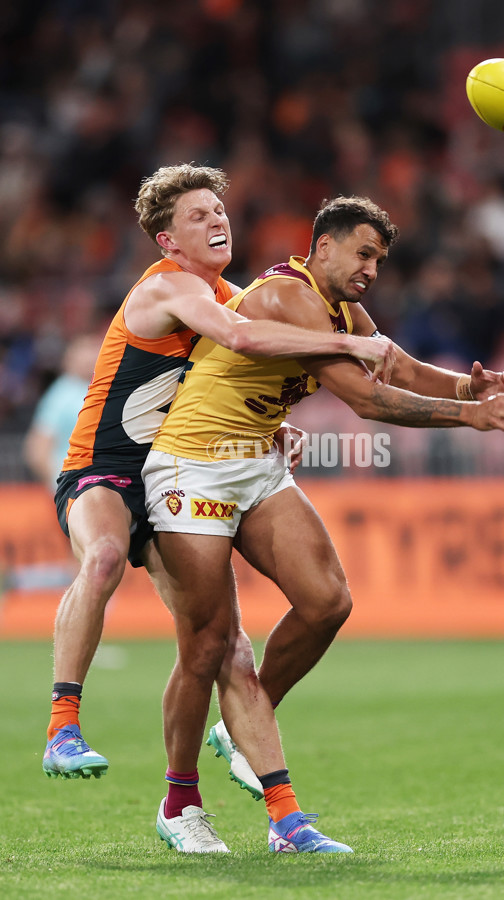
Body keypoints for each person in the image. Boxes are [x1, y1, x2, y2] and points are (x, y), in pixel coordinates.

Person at [142, 195, 504, 854]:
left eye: (379, 260)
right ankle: (180, 801)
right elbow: (365, 397)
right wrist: (462, 419)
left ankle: (243, 722)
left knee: (328, 601)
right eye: (363, 254)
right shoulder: (284, 296)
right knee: (210, 645)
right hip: (193, 465)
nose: (372, 270)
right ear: (321, 247)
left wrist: (468, 389)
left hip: (257, 462)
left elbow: (401, 368)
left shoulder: (342, 312)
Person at [42, 163, 397, 803]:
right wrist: (352, 347)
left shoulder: (226, 295)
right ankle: (63, 724)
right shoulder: (167, 289)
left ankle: (237, 805)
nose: (218, 221)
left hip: (167, 477)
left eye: (220, 211)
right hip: (102, 467)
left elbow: (236, 379)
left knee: (221, 645)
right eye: (198, 215)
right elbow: (242, 338)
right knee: (102, 558)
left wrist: (273, 423)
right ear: (167, 240)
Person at [24, 334, 101, 491]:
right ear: (71, 357)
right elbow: (37, 447)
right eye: (86, 350)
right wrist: (58, 485)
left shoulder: (101, 389)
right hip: (74, 487)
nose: (92, 357)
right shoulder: (61, 393)